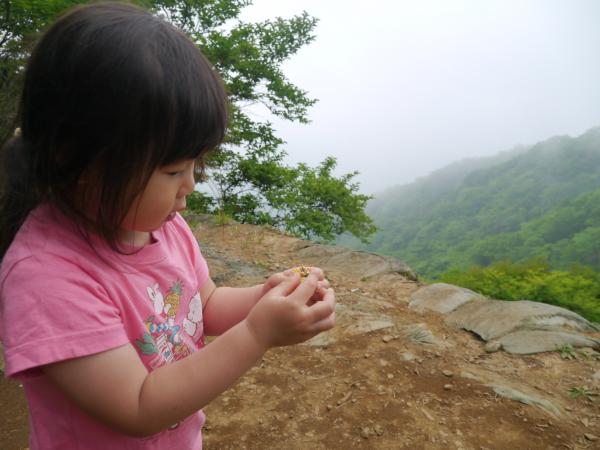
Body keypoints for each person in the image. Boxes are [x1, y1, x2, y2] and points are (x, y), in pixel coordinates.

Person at [0, 2, 336, 449]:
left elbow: (206, 304)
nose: (190, 185)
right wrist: (258, 333)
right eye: (173, 170)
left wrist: (266, 298)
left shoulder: (164, 227)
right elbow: (138, 406)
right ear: (76, 159)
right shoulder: (48, 276)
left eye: (196, 164)